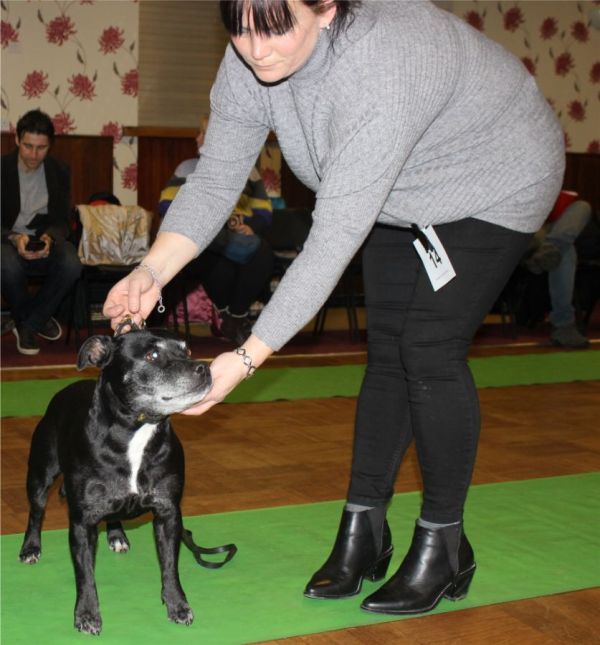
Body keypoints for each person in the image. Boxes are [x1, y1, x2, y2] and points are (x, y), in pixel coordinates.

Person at [103, 0, 565, 616]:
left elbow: (329, 244)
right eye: (239, 28)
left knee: (427, 348)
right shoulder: (249, 57)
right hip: (400, 188)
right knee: (387, 351)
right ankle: (364, 529)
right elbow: (214, 180)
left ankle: (444, 543)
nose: (254, 48)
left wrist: (246, 357)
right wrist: (151, 270)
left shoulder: (381, 65)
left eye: (274, 28)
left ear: (324, 8)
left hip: (497, 177)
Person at [159, 126, 274, 345]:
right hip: (204, 238)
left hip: (242, 236)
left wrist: (251, 226)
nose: (197, 138)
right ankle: (232, 320)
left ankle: (234, 318)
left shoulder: (249, 170)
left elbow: (264, 210)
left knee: (263, 252)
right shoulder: (187, 168)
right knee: (215, 254)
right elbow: (167, 205)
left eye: (202, 133)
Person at [1, 109, 82, 355]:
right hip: (6, 239)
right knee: (6, 263)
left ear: (50, 146)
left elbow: (63, 220)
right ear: (17, 140)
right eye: (28, 146)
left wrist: (49, 238)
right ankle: (35, 320)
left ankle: (27, 322)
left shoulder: (59, 170)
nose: (34, 154)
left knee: (71, 262)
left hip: (43, 239)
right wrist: (14, 238)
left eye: (41, 148)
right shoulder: (2, 169)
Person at [523, 195, 591, 348]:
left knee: (582, 205)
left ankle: (549, 250)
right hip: (524, 230)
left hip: (555, 229)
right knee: (565, 251)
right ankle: (564, 327)